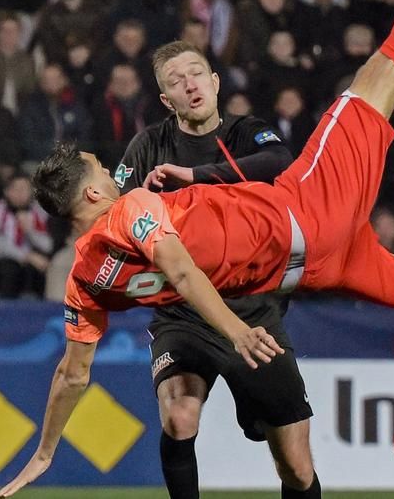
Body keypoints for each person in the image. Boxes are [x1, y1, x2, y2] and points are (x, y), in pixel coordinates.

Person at [0, 0, 394, 498]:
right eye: (104, 172)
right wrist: (235, 333)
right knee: (384, 71)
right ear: (95, 196)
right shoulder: (135, 212)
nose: (115, 174)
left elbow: (72, 376)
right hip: (306, 217)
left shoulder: (81, 283)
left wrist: (44, 451)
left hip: (307, 269)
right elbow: (179, 270)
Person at [112, 32, 315, 498]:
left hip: (253, 311)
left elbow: (279, 161)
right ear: (167, 99)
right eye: (176, 81)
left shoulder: (247, 133)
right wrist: (134, 205)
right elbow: (112, 214)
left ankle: (257, 408)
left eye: (196, 73)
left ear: (216, 80)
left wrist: (195, 178)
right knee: (179, 417)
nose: (190, 85)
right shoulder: (147, 146)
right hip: (184, 313)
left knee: (297, 467)